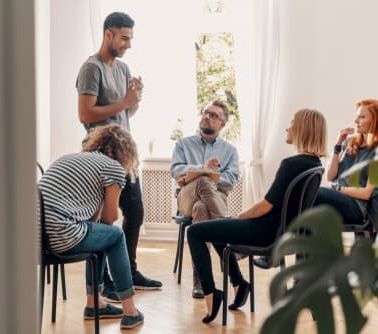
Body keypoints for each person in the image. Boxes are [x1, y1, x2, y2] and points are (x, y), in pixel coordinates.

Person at [187, 109, 328, 323]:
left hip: (264, 232)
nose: (288, 127)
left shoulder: (291, 164)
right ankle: (239, 283)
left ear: (302, 129)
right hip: (280, 233)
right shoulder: (315, 165)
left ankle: (211, 294)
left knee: (195, 231)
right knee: (216, 228)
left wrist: (240, 217)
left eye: (291, 123)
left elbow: (265, 205)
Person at [76, 11, 162, 300]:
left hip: (125, 153)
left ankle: (129, 271)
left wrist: (133, 101)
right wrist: (123, 102)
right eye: (124, 38)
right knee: (104, 220)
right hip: (100, 155)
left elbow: (124, 113)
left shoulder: (123, 69)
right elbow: (85, 114)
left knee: (135, 213)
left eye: (130, 38)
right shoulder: (92, 68)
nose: (128, 44)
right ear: (108, 34)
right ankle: (104, 282)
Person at [39, 125, 144, 329]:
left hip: (36, 236)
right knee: (116, 235)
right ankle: (130, 311)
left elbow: (95, 222)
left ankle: (94, 304)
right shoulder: (112, 167)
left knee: (102, 234)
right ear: (124, 152)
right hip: (61, 234)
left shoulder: (68, 158)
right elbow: (111, 217)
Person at [170, 100, 240, 298]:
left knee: (201, 208)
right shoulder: (183, 144)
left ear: (222, 124)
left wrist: (204, 177)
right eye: (205, 113)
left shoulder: (230, 150)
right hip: (186, 198)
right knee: (201, 182)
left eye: (214, 115)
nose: (207, 117)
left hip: (214, 199)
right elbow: (176, 170)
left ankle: (201, 281)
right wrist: (204, 170)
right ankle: (232, 237)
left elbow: (231, 181)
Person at [313, 99, 378, 228]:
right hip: (338, 197)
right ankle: (307, 246)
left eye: (362, 117)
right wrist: (338, 145)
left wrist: (338, 189)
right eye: (357, 116)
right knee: (306, 196)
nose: (356, 121)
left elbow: (366, 193)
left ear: (375, 121)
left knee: (313, 193)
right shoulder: (350, 142)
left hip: (357, 207)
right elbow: (330, 176)